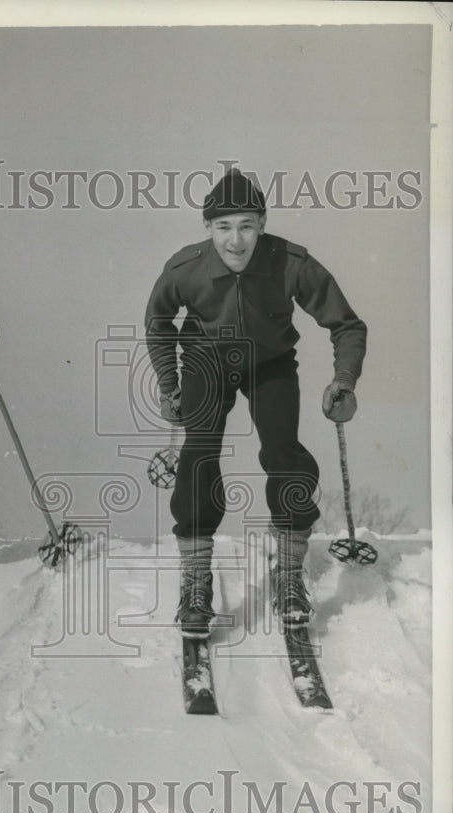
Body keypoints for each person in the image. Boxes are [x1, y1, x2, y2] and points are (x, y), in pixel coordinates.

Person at [144, 168, 366, 635]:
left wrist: (344, 380)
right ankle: (195, 580)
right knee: (199, 452)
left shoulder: (292, 262)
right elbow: (158, 321)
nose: (235, 240)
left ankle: (288, 573)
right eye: (223, 227)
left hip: (270, 362)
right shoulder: (186, 267)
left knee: (284, 453)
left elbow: (347, 324)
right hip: (206, 360)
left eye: (246, 225)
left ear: (262, 223)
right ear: (208, 228)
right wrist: (169, 383)